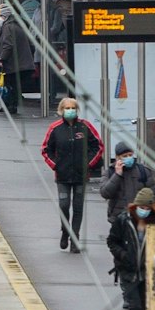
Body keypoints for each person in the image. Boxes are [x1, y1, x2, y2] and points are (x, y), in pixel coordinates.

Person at [40, 97, 103, 250]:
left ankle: (75, 238)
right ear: (61, 110)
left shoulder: (85, 126)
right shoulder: (55, 128)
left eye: (73, 108)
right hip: (62, 176)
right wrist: (56, 166)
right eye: (67, 108)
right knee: (64, 205)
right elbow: (45, 150)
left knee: (78, 207)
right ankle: (65, 232)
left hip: (81, 176)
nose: (70, 111)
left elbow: (98, 146)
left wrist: (88, 164)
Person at [107, 188, 155, 310]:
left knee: (147, 307)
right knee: (134, 306)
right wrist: (122, 255)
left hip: (147, 272)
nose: (144, 211)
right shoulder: (124, 220)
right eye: (141, 207)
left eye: (147, 208)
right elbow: (112, 241)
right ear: (135, 206)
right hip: (128, 270)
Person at [99, 141, 155, 228]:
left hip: (141, 218)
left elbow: (154, 195)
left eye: (130, 155)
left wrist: (148, 211)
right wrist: (117, 175)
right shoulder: (110, 172)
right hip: (118, 219)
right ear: (117, 157)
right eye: (124, 156)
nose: (128, 158)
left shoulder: (143, 171)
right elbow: (105, 193)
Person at [0, 4, 36, 108]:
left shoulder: (8, 27)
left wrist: (2, 59)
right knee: (13, 85)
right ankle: (9, 105)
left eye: (1, 16)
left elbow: (8, 45)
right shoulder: (16, 25)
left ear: (5, 16)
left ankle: (10, 106)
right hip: (20, 62)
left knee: (10, 85)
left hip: (13, 63)